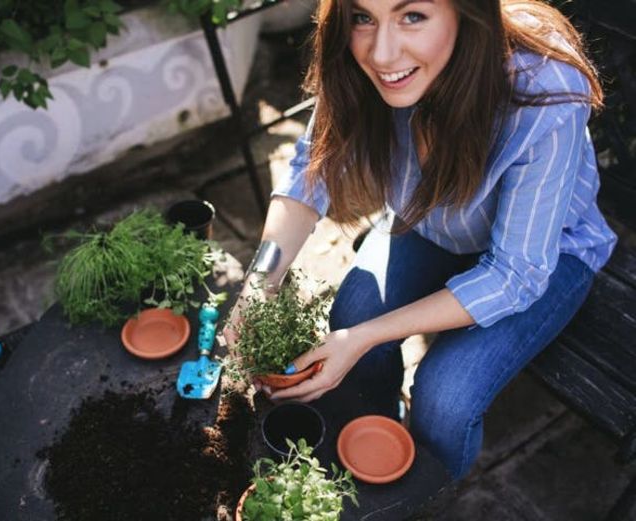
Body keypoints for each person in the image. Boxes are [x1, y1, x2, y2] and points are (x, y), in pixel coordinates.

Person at [224, 0, 617, 480]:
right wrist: (259, 285)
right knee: (351, 314)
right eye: (363, 17)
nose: (384, 54)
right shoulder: (354, 59)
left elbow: (514, 274)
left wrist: (363, 339)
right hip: (429, 224)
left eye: (413, 15)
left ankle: (427, 493)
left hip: (548, 255)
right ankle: (372, 446)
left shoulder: (545, 88)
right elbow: (313, 168)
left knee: (445, 399)